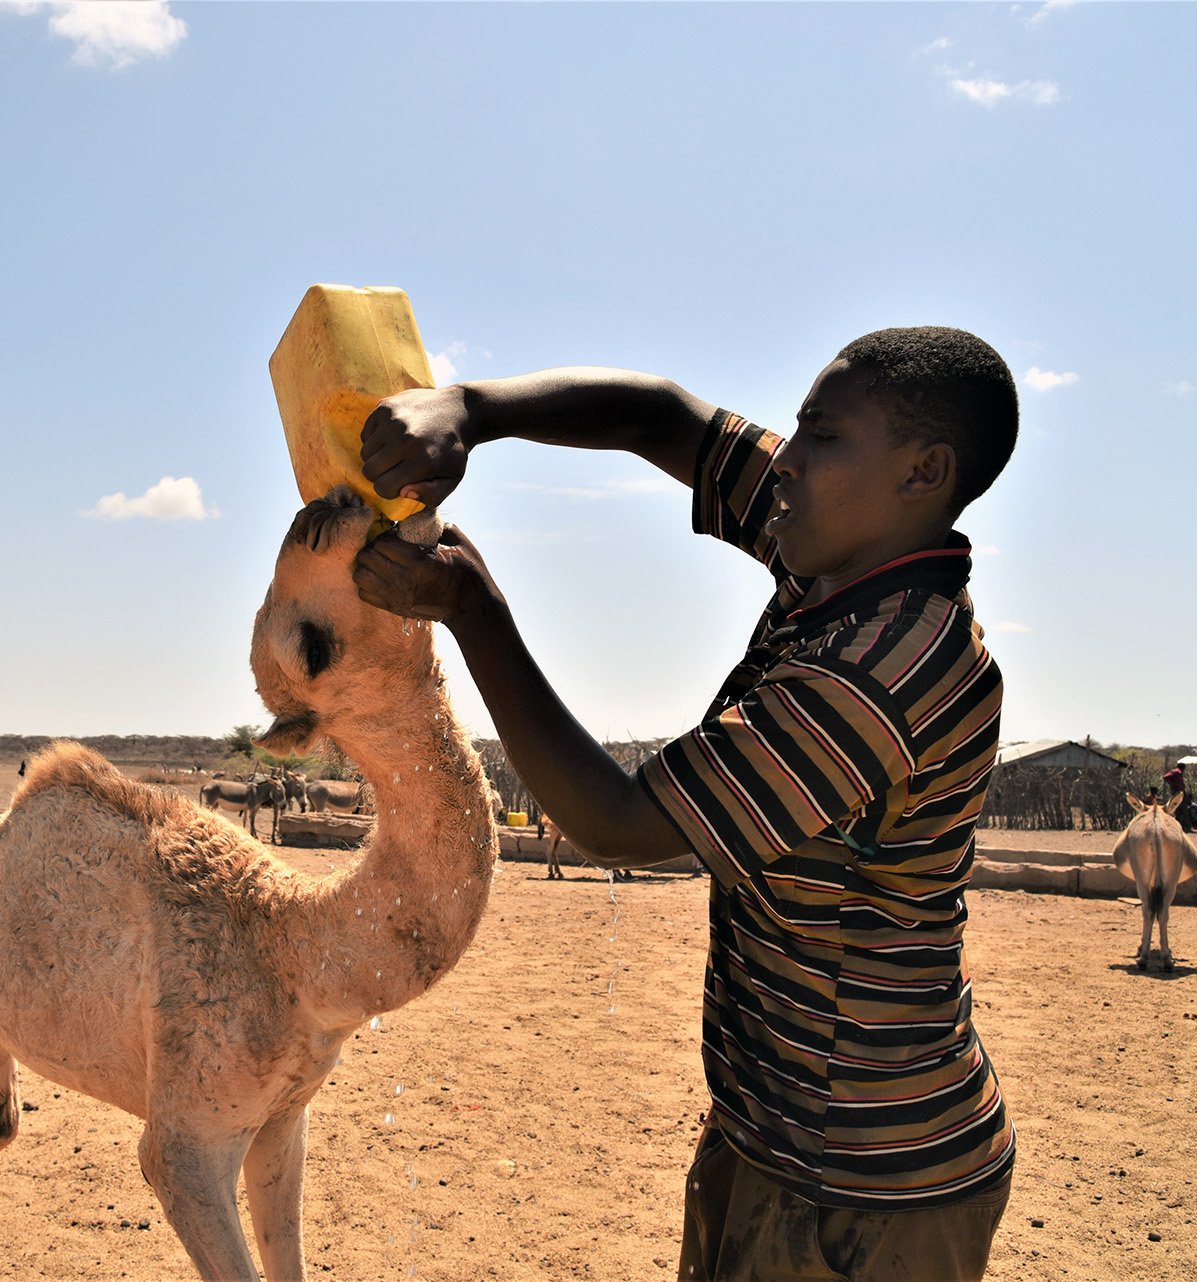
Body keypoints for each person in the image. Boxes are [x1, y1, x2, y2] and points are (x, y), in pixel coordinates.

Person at [351, 327, 1019, 1281]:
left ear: (924, 472)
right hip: (769, 1128)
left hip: (864, 1186)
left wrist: (474, 612)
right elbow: (656, 415)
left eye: (821, 437)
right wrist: (472, 408)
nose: (784, 460)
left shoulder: (891, 669)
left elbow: (623, 822)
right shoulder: (828, 558)